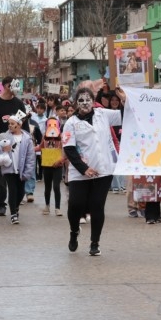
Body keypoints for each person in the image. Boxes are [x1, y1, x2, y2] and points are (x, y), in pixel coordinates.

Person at [62, 84, 125, 256]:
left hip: (103, 170)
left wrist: (124, 100)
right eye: (80, 100)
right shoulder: (70, 123)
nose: (84, 103)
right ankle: (74, 231)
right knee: (76, 204)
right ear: (76, 103)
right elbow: (69, 149)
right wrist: (84, 169)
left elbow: (124, 115)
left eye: (88, 100)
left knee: (97, 206)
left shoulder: (103, 115)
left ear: (93, 101)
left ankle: (94, 243)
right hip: (80, 172)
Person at [0, 77, 27, 217]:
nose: (16, 88)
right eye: (13, 85)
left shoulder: (19, 103)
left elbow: (25, 124)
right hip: (0, 144)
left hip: (17, 144)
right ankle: (1, 204)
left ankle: (14, 205)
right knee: (1, 177)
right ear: (6, 86)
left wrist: (28, 140)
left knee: (17, 176)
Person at [0, 110, 35, 225]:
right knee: (13, 190)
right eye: (8, 123)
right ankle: (13, 214)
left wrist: (28, 172)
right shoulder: (5, 136)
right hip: (9, 168)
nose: (10, 125)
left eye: (12, 123)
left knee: (20, 192)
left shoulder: (27, 138)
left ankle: (15, 207)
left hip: (21, 170)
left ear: (19, 125)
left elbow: (30, 157)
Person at [38, 114, 65, 216]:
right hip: (46, 165)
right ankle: (47, 206)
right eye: (50, 124)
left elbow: (65, 150)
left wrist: (61, 160)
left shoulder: (61, 138)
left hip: (57, 165)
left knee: (56, 186)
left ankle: (57, 208)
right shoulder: (44, 137)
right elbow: (40, 147)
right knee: (47, 187)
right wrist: (29, 149)